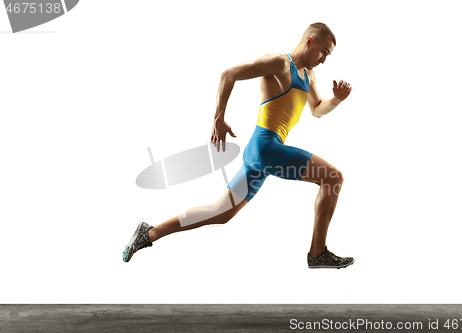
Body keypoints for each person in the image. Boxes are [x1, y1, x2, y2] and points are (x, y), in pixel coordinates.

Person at [123, 22, 354, 269]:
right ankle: (317, 253)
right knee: (332, 177)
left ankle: (149, 233)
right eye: (324, 52)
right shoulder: (279, 62)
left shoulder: (309, 76)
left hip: (263, 153)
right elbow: (229, 74)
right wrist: (218, 118)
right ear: (309, 42)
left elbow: (317, 109)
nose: (324, 60)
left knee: (221, 212)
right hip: (266, 147)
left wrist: (336, 101)